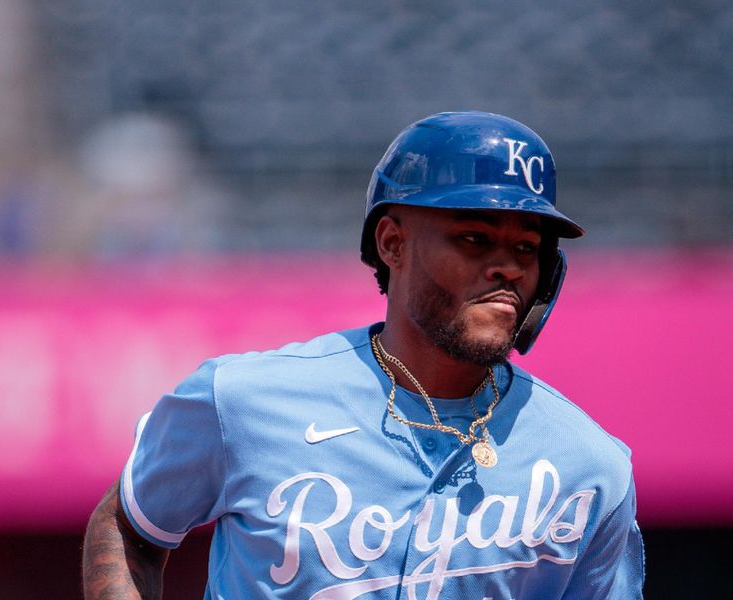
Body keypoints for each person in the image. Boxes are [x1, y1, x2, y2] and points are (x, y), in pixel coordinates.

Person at [83, 111, 645, 599]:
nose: (508, 267)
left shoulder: (591, 468)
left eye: (527, 247)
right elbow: (127, 523)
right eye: (474, 238)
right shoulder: (243, 401)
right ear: (392, 243)